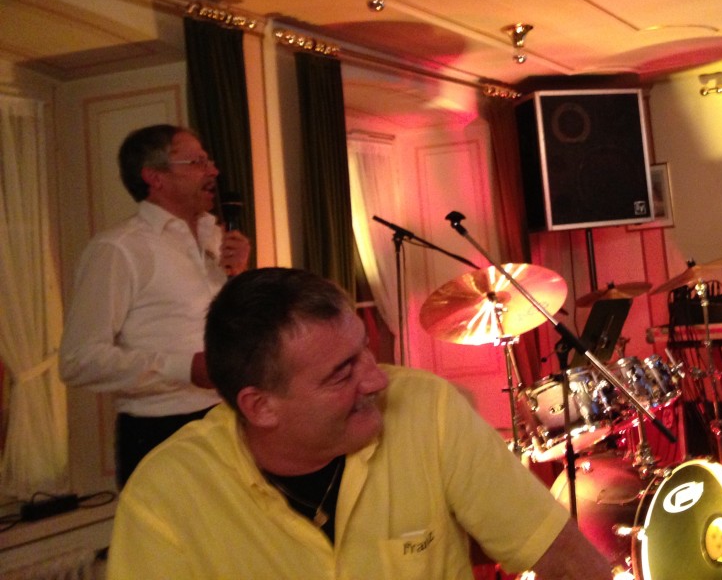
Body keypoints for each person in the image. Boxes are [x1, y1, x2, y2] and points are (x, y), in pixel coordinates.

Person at [105, 267, 613, 580]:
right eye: (342, 373)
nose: (376, 380)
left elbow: (566, 559)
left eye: (364, 351)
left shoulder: (428, 410)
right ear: (260, 407)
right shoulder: (165, 494)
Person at [59, 124, 251, 486]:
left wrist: (240, 273)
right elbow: (78, 360)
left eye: (209, 161)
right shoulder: (119, 249)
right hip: (161, 430)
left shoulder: (217, 238)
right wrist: (184, 368)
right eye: (197, 162)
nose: (213, 171)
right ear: (154, 177)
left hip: (228, 417)